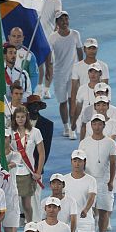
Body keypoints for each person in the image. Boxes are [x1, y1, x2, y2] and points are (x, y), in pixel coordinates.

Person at [78, 115, 116, 232]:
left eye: (99, 124)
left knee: (104, 209)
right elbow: (80, 162)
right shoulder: (84, 143)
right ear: (91, 126)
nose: (97, 127)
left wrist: (111, 181)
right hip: (89, 180)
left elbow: (113, 163)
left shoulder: (110, 143)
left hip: (104, 181)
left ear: (104, 126)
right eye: (94, 124)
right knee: (89, 210)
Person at [48, 11, 83, 139]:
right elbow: (48, 54)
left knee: (72, 100)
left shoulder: (75, 34)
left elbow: (79, 50)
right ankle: (66, 126)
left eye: (66, 19)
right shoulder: (53, 37)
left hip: (73, 74)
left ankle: (72, 128)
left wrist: (81, 67)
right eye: (61, 20)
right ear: (57, 23)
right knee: (62, 102)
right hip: (59, 74)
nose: (64, 22)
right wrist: (48, 69)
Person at [10, 106, 45, 224]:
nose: (20, 119)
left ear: (27, 117)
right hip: (13, 172)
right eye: (18, 117)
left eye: (23, 117)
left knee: (27, 204)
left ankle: (29, 224)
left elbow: (41, 153)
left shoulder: (35, 132)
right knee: (13, 203)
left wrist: (38, 172)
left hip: (28, 172)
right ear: (14, 118)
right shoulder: (9, 132)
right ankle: (14, 227)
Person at [72, 64, 104, 134]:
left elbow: (106, 107)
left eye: (95, 72)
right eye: (91, 72)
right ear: (88, 73)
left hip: (99, 124)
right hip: (85, 123)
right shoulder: (82, 89)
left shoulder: (105, 89)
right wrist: (74, 122)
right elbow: (78, 107)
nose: (93, 74)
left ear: (100, 73)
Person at [8, 26, 39, 92]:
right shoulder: (1, 52)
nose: (16, 38)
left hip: (22, 93)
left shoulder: (29, 55)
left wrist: (28, 91)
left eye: (19, 36)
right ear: (9, 37)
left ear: (23, 38)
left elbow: (34, 76)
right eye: (14, 36)